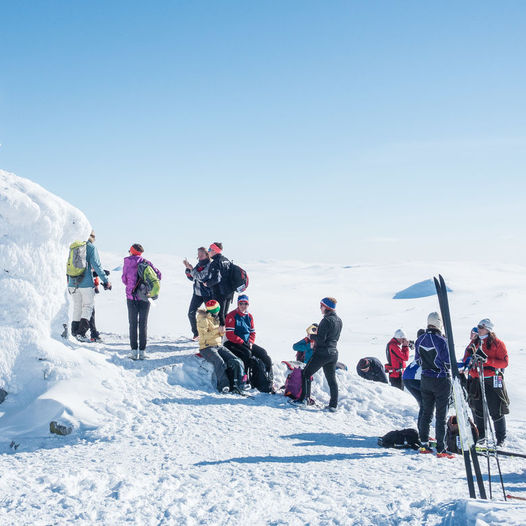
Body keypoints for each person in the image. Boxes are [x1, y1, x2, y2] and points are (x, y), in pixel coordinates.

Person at [463, 318, 509, 446]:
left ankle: (501, 439)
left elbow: (504, 362)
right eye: (478, 327)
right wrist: (469, 362)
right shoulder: (474, 342)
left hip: (492, 378)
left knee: (496, 409)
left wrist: (487, 360)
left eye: (481, 327)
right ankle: (481, 436)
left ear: (488, 329)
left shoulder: (497, 343)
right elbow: (466, 358)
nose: (479, 329)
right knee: (478, 409)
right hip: (476, 378)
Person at [414, 312, 452, 457]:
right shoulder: (442, 341)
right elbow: (448, 363)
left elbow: (418, 361)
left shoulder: (420, 339)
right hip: (441, 379)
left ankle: (423, 444)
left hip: (425, 379)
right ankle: (441, 448)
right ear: (439, 324)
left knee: (426, 412)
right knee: (441, 415)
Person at [295, 297, 343, 412]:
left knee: (306, 373)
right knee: (331, 380)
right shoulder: (339, 320)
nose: (320, 308)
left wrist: (311, 336)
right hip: (333, 352)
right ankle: (333, 405)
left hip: (323, 352)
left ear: (325, 307)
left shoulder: (326, 320)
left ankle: (304, 400)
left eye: (321, 306)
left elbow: (321, 340)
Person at [67, 230, 111, 342]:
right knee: (87, 307)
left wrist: (69, 281)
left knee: (77, 306)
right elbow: (97, 266)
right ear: (92, 237)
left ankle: (74, 331)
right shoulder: (91, 248)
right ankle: (81, 333)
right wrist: (106, 281)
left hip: (72, 283)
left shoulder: (73, 246)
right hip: (86, 284)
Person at [224, 294, 274, 392]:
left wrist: (250, 342)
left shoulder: (249, 316)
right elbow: (230, 334)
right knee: (247, 354)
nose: (243, 306)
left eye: (245, 304)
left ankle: (268, 379)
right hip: (232, 342)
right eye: (241, 303)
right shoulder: (232, 315)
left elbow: (252, 332)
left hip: (246, 342)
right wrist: (242, 342)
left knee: (263, 353)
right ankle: (244, 379)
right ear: (238, 304)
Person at [121, 244, 161, 360]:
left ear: (132, 251)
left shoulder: (127, 262)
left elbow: (124, 279)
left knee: (133, 324)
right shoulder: (146, 262)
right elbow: (158, 275)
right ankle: (142, 352)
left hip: (131, 297)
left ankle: (134, 351)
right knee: (143, 324)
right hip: (145, 297)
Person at [197, 300, 246, 393]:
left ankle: (240, 384)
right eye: (217, 310)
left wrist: (221, 332)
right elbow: (202, 336)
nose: (218, 312)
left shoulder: (217, 318)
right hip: (206, 347)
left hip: (218, 345)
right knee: (219, 362)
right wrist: (217, 331)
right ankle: (224, 385)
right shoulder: (203, 320)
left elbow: (219, 333)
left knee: (236, 360)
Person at [183, 247, 213, 340]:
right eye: (198, 255)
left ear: (207, 255)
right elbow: (193, 278)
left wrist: (191, 269)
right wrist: (188, 270)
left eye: (201, 255)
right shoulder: (199, 264)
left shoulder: (210, 265)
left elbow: (200, 277)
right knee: (191, 313)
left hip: (207, 294)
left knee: (211, 315)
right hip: (197, 293)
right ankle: (196, 334)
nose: (199, 257)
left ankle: (211, 335)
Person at [202, 242, 233, 328]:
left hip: (220, 293)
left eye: (209, 250)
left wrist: (207, 283)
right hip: (229, 292)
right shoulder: (226, 260)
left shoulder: (215, 262)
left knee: (219, 316)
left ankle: (220, 338)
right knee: (225, 315)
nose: (208, 252)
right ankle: (225, 336)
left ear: (215, 251)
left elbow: (216, 279)